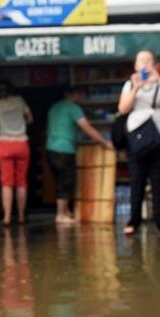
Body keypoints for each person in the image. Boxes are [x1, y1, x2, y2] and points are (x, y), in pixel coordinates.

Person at [118, 50, 160, 237]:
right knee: (137, 180)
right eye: (141, 60)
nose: (145, 64)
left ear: (155, 64)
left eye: (149, 60)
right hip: (138, 138)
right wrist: (136, 87)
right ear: (135, 65)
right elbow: (123, 108)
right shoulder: (130, 84)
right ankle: (134, 220)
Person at [46, 86, 113, 224]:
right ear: (74, 94)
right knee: (66, 181)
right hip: (64, 148)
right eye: (80, 94)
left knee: (60, 180)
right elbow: (86, 127)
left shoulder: (54, 107)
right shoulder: (73, 108)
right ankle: (60, 215)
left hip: (51, 147)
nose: (82, 97)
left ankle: (66, 212)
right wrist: (104, 142)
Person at [0, 79, 33, 225]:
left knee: (6, 182)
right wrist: (19, 123)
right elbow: (30, 119)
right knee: (21, 182)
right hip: (22, 143)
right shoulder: (20, 101)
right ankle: (20, 216)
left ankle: (6, 217)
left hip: (5, 144)